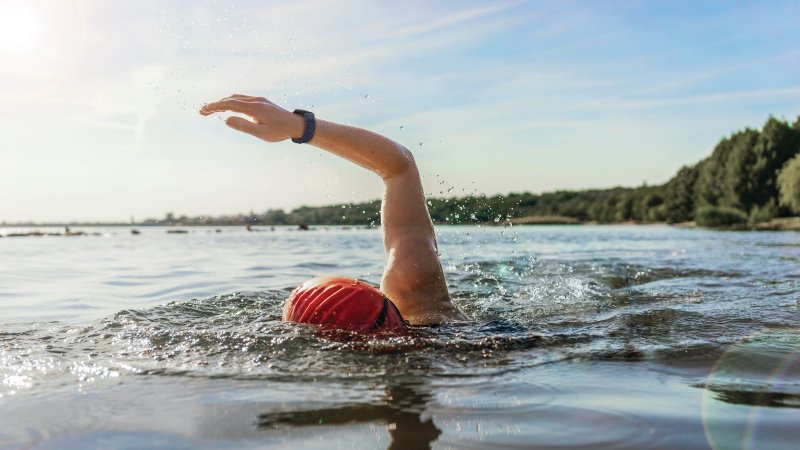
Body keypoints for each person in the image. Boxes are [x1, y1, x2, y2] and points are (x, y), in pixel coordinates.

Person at [200, 95, 467, 327]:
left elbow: (399, 169)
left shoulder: (420, 304)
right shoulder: (420, 301)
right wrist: (300, 126)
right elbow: (400, 166)